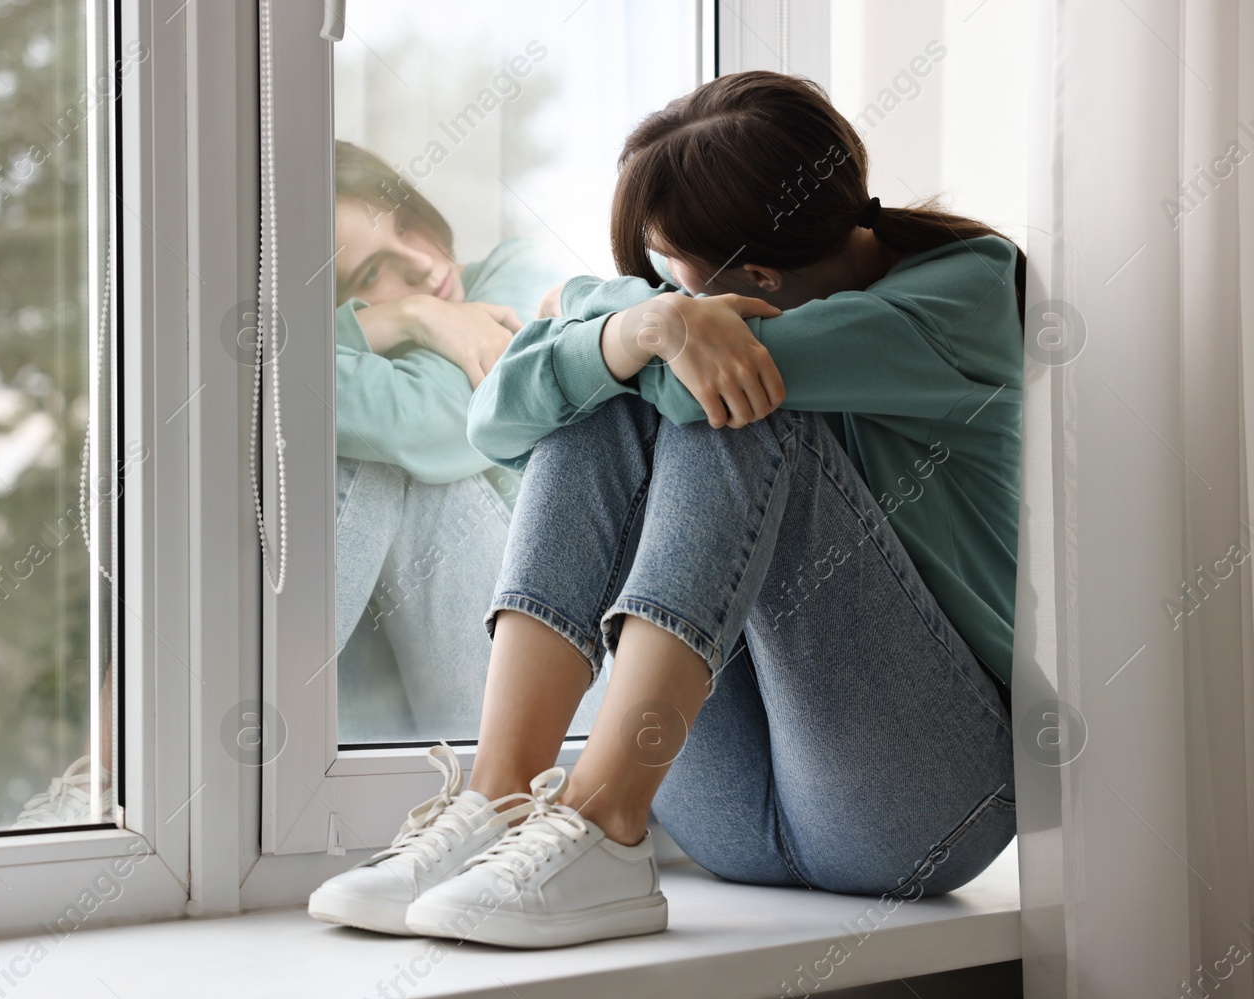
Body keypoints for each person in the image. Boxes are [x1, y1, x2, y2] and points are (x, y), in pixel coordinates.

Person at [309, 72, 1024, 948]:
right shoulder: (719, 300)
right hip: (724, 807)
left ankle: (606, 819)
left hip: (922, 798)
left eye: (670, 273)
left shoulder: (968, 295)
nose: (657, 287)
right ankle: (501, 796)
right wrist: (649, 325)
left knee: (729, 398)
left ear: (760, 275)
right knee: (617, 386)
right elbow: (496, 413)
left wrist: (632, 329)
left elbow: (605, 376)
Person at [329, 141, 599, 742]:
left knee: (369, 451)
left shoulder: (521, 275)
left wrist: (373, 323)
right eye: (371, 274)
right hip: (416, 717)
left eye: (405, 224)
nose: (424, 267)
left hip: (581, 704)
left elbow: (429, 421)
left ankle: (147, 748)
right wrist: (408, 318)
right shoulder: (405, 323)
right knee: (293, 447)